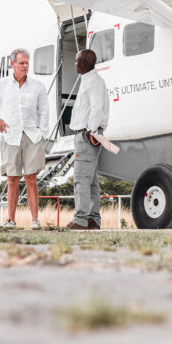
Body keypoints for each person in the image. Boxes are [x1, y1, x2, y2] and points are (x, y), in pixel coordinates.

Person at [0, 48, 50, 229]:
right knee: (12, 179)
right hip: (10, 137)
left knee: (31, 179)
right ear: (12, 64)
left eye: (27, 63)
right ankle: (11, 220)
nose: (25, 66)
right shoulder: (2, 85)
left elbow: (44, 111)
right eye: (21, 63)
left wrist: (42, 133)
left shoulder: (38, 86)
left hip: (32, 137)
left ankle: (35, 220)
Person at [66, 48, 110, 230]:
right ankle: (92, 219)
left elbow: (96, 108)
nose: (75, 64)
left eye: (76, 61)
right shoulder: (91, 80)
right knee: (91, 181)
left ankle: (81, 219)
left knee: (81, 179)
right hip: (88, 133)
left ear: (83, 64)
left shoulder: (93, 81)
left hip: (86, 134)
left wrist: (91, 131)